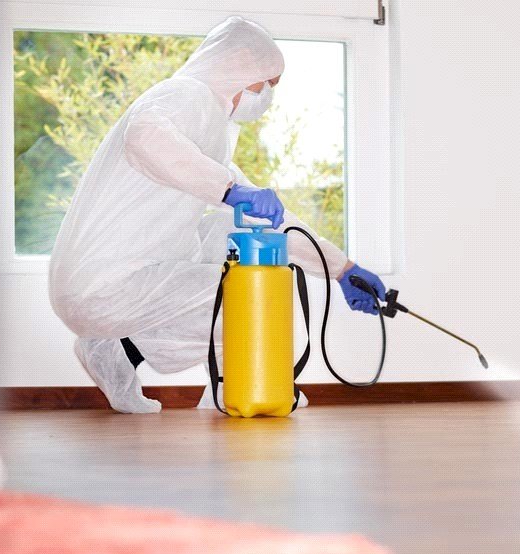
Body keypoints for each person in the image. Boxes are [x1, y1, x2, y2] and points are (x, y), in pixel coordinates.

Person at [48, 16, 386, 413]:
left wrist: (343, 269)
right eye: (266, 84)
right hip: (104, 285)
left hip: (113, 281)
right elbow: (144, 135)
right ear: (238, 67)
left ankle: (121, 350)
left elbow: (272, 225)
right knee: (249, 291)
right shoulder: (186, 96)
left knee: (237, 231)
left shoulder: (206, 126)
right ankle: (235, 385)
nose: (267, 96)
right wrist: (228, 189)